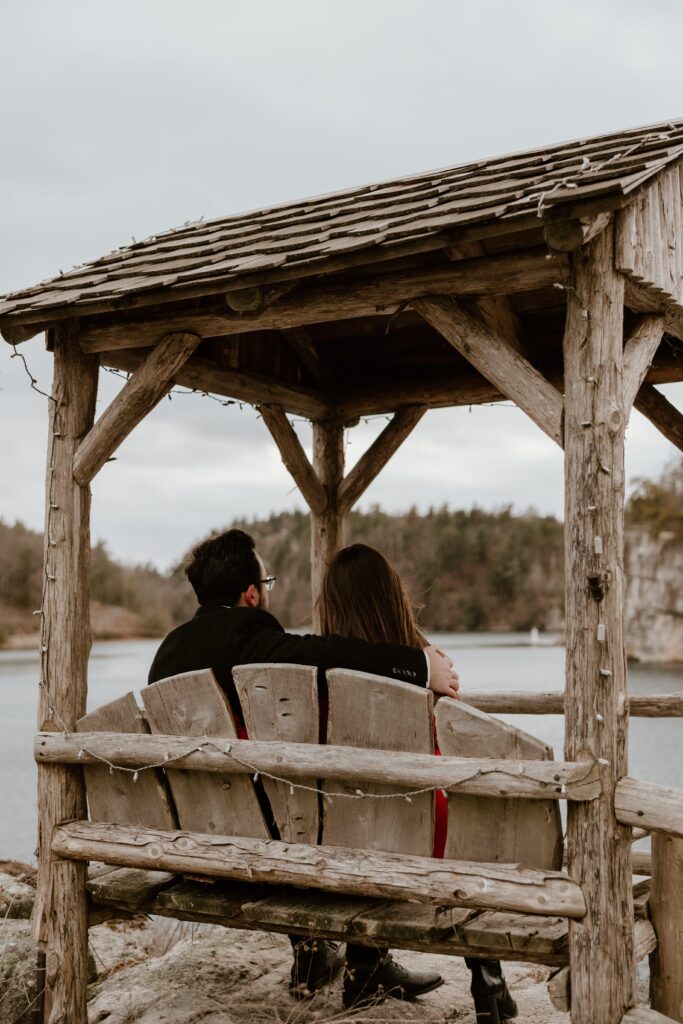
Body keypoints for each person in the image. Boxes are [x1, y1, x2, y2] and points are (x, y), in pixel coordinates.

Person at [148, 529, 460, 1000]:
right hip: (254, 842)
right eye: (267, 581)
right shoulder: (251, 636)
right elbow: (328, 653)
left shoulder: (167, 651)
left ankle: (314, 953)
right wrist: (419, 665)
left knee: (284, 788)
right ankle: (361, 964)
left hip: (189, 839)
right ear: (251, 593)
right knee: (324, 808)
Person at [318, 544, 518, 1021]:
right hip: (423, 825)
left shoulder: (310, 668)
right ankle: (488, 983)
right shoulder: (425, 663)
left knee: (362, 813)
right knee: (465, 827)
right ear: (393, 597)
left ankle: (363, 968)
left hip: (340, 828)